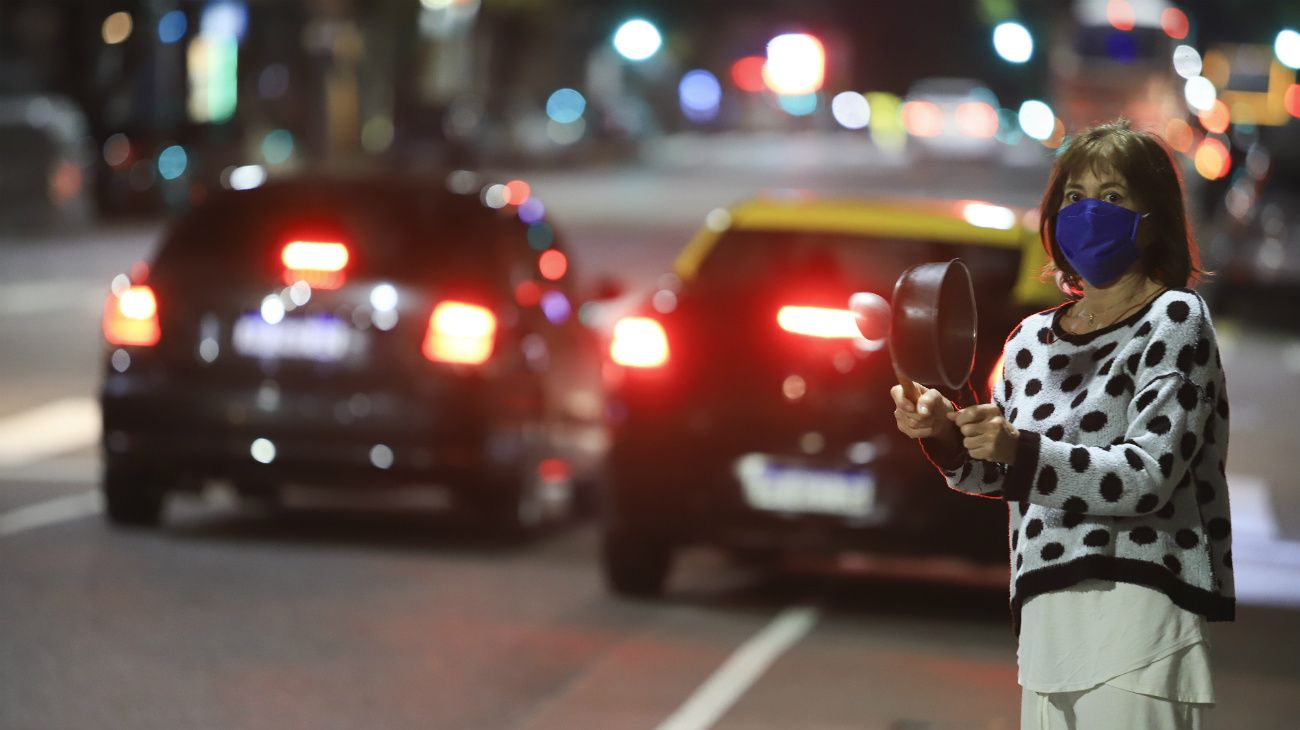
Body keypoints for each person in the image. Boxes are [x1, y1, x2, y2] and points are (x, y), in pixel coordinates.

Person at [891, 119, 1234, 729]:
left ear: (1151, 218)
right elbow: (1001, 474)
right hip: (1046, 620)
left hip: (1138, 615)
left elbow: (1146, 475)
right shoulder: (1029, 341)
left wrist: (1019, 449)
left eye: (1113, 197)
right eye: (1074, 197)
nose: (1088, 212)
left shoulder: (1174, 320)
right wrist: (946, 435)